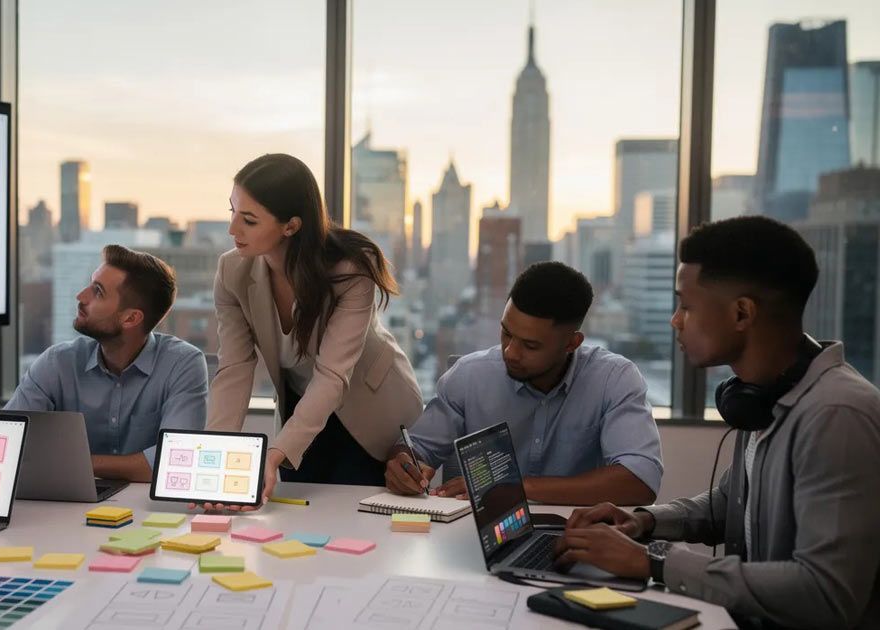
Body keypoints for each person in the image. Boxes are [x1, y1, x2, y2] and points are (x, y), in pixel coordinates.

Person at [556, 216, 880, 628]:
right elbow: (730, 504)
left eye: (687, 306)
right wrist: (644, 520)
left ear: (742, 313)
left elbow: (826, 592)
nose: (676, 320)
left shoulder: (836, 416)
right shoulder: (762, 397)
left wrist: (654, 562)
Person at [204, 153, 423, 508]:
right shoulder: (232, 272)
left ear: (290, 226)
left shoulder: (350, 271)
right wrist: (215, 458)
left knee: (357, 529)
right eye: (232, 211)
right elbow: (234, 369)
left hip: (369, 408)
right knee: (294, 524)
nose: (232, 229)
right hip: (303, 411)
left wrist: (275, 454)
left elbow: (333, 376)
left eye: (248, 220)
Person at [386, 262, 662, 506]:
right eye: (506, 333)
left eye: (530, 345)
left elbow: (640, 481)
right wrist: (404, 464)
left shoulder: (614, 380)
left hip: (576, 537)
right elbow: (416, 448)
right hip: (471, 538)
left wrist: (515, 487)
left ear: (571, 343)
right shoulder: (469, 377)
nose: (510, 352)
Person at [6, 245, 207, 482]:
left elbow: (175, 461)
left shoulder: (183, 364)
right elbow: (6, 442)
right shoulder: (57, 363)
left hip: (145, 508)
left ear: (131, 318)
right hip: (64, 505)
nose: (81, 296)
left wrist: (75, 463)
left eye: (98, 292)